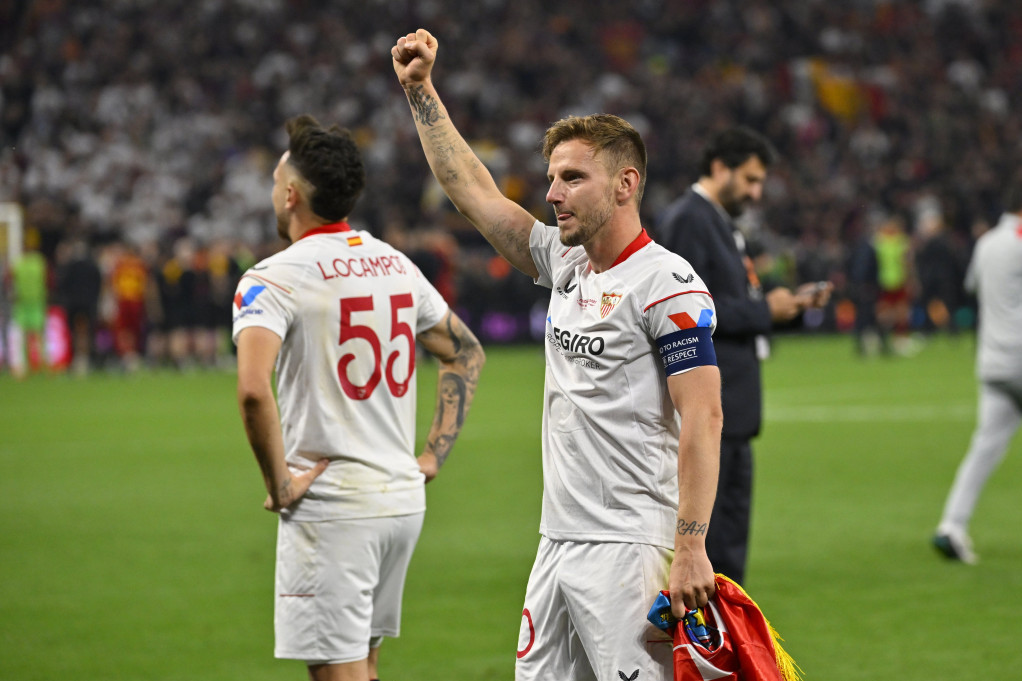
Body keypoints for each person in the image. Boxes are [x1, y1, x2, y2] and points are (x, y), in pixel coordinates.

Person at [393, 29, 724, 681]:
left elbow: (704, 417)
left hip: (631, 548)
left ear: (625, 184)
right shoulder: (566, 262)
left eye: (573, 177)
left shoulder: (667, 284)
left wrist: (690, 547)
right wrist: (420, 90)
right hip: (557, 542)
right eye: (551, 178)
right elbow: (474, 192)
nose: (553, 193)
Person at [232, 114, 485, 681]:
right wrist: (432, 455)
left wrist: (280, 484)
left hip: (336, 507)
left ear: (291, 195)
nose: (273, 193)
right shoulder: (394, 263)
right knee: (364, 666)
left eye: (275, 182)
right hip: (400, 501)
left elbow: (252, 390)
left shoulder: (273, 277)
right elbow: (466, 353)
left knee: (338, 674)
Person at [655, 127, 831, 585]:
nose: (756, 193)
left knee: (729, 549)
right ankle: (709, 631)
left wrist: (785, 309)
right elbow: (686, 310)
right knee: (717, 552)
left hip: (732, 411)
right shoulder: (691, 219)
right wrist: (764, 310)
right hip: (713, 406)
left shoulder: (714, 219)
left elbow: (723, 303)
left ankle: (721, 628)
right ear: (720, 168)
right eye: (750, 180)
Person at [933, 175, 1022, 564]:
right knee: (986, 446)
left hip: (993, 361)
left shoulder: (987, 243)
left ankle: (951, 525)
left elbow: (972, 285)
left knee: (985, 447)